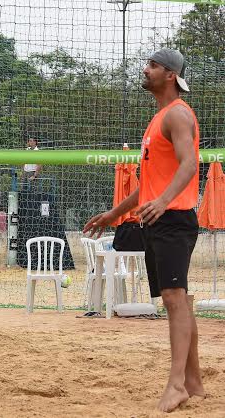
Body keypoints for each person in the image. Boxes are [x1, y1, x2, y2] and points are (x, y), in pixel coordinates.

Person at [84, 49, 203, 413]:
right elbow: (146, 185)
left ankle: (177, 384)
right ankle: (194, 381)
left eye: (151, 65)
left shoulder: (178, 114)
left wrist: (165, 201)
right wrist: (114, 214)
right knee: (177, 299)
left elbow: (190, 164)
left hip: (173, 220)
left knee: (173, 298)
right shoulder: (158, 118)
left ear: (170, 74)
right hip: (156, 218)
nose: (144, 69)